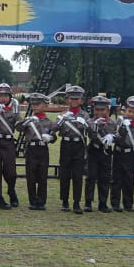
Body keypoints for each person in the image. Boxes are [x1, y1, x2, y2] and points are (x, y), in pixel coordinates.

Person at [111, 96, 134, 212]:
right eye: (129, 111)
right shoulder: (120, 121)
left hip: (130, 154)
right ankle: (115, 203)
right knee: (116, 179)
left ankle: (128, 204)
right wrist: (122, 127)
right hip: (118, 152)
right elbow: (115, 136)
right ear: (125, 110)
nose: (131, 114)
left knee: (129, 179)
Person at [0, 83, 21, 210]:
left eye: (5, 95)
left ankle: (11, 190)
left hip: (8, 141)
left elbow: (18, 121)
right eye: (0, 95)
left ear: (10, 97)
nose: (3, 98)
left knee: (11, 171)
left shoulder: (14, 108)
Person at [56, 85, 88, 213]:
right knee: (64, 174)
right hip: (66, 145)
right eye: (71, 98)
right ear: (67, 100)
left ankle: (76, 202)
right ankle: (64, 201)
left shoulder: (85, 115)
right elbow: (54, 128)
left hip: (79, 145)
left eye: (77, 98)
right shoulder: (62, 114)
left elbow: (90, 129)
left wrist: (85, 123)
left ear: (81, 100)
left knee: (77, 175)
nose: (74, 101)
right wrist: (60, 120)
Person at [20, 93, 55, 211]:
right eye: (33, 104)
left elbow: (53, 136)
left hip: (43, 149)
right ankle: (32, 201)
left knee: (42, 176)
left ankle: (41, 201)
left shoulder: (49, 121)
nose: (35, 106)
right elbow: (18, 128)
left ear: (45, 105)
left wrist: (50, 138)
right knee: (31, 176)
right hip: (31, 149)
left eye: (38, 104)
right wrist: (25, 122)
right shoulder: (29, 120)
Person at [85, 95, 116, 213]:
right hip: (94, 150)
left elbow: (118, 135)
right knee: (91, 177)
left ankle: (103, 203)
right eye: (97, 110)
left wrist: (112, 136)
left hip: (106, 152)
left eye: (102, 110)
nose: (99, 112)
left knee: (105, 178)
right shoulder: (90, 122)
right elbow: (91, 135)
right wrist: (95, 126)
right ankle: (88, 202)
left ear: (108, 110)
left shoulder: (112, 123)